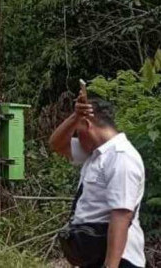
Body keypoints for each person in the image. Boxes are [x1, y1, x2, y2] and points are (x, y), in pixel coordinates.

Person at [49, 92, 145, 268]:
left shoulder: (121, 156)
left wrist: (111, 265)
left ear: (87, 125)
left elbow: (121, 215)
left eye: (77, 132)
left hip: (119, 259)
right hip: (95, 256)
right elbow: (56, 144)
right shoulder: (95, 154)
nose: (76, 138)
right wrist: (74, 117)